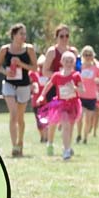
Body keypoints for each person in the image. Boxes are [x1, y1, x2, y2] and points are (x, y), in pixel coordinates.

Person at [0, 23, 36, 157]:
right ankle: (14, 147)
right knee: (13, 114)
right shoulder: (4, 49)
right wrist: (5, 71)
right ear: (14, 35)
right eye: (21, 34)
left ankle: (20, 141)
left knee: (20, 118)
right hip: (9, 84)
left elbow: (34, 68)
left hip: (24, 85)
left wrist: (20, 64)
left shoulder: (29, 49)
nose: (24, 36)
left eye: (25, 34)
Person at [35, 50, 85, 160]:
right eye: (66, 61)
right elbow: (48, 85)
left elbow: (82, 90)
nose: (68, 63)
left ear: (73, 63)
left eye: (71, 61)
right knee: (65, 125)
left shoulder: (76, 75)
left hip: (73, 104)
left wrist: (75, 88)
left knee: (70, 127)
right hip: (61, 104)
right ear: (62, 62)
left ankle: (67, 146)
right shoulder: (57, 75)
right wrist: (42, 96)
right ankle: (66, 150)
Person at [40, 24, 77, 155]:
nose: (64, 38)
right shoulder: (52, 51)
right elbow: (45, 71)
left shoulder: (73, 51)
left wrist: (70, 80)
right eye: (61, 36)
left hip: (70, 91)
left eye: (67, 35)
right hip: (54, 89)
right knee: (54, 119)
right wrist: (59, 77)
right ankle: (50, 143)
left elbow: (77, 70)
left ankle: (67, 146)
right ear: (57, 37)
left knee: (70, 120)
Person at [77, 46, 99, 145]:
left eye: (90, 55)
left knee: (88, 119)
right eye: (85, 54)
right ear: (82, 55)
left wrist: (98, 81)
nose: (88, 57)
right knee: (79, 117)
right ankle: (79, 134)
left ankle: (85, 137)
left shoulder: (96, 68)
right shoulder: (80, 66)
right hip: (81, 95)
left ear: (93, 56)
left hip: (91, 96)